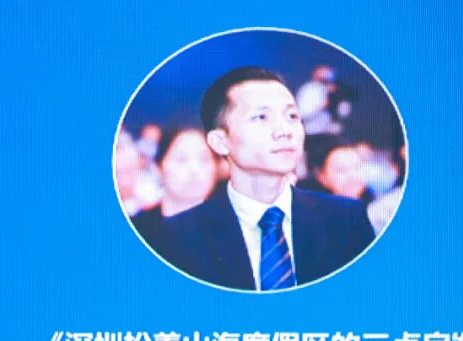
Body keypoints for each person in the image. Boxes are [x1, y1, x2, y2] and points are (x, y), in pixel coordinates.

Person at [136, 67, 375, 291]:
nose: (284, 130)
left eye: (292, 116)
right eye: (261, 117)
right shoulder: (178, 237)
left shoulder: (346, 219)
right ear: (220, 142)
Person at [131, 126, 217, 225]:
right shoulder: (138, 226)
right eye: (181, 160)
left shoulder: (228, 224)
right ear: (159, 167)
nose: (194, 170)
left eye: (204, 159)